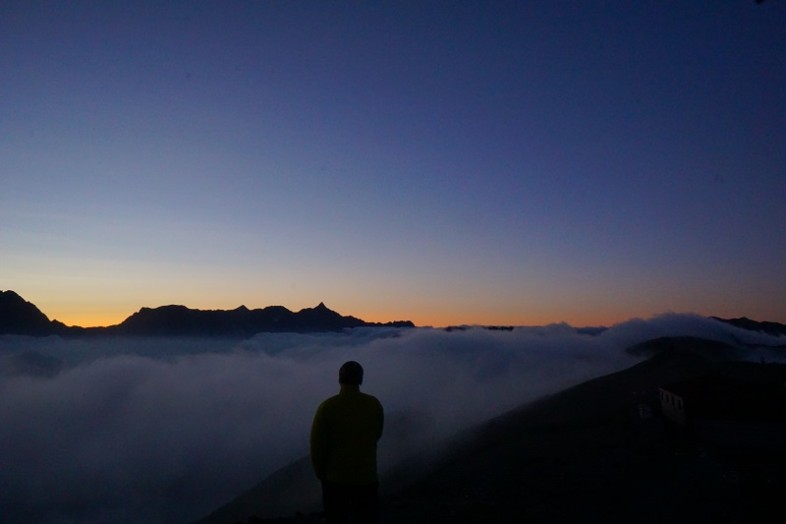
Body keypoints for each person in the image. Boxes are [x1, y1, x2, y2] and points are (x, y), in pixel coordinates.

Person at [310, 361, 384, 524]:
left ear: (339, 379)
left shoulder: (327, 407)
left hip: (335, 480)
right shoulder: (374, 404)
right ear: (361, 379)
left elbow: (317, 445)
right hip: (367, 478)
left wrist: (321, 473)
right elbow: (377, 434)